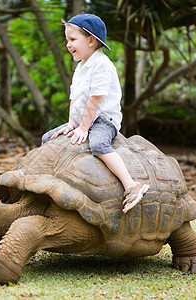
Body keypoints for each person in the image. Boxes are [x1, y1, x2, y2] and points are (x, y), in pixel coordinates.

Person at [41, 14, 149, 214]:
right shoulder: (80, 67)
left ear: (91, 41)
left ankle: (131, 185)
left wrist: (84, 128)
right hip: (84, 119)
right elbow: (75, 99)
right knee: (47, 138)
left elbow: (95, 99)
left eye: (73, 40)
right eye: (67, 40)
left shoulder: (102, 65)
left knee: (98, 144)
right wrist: (72, 124)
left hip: (103, 120)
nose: (68, 45)